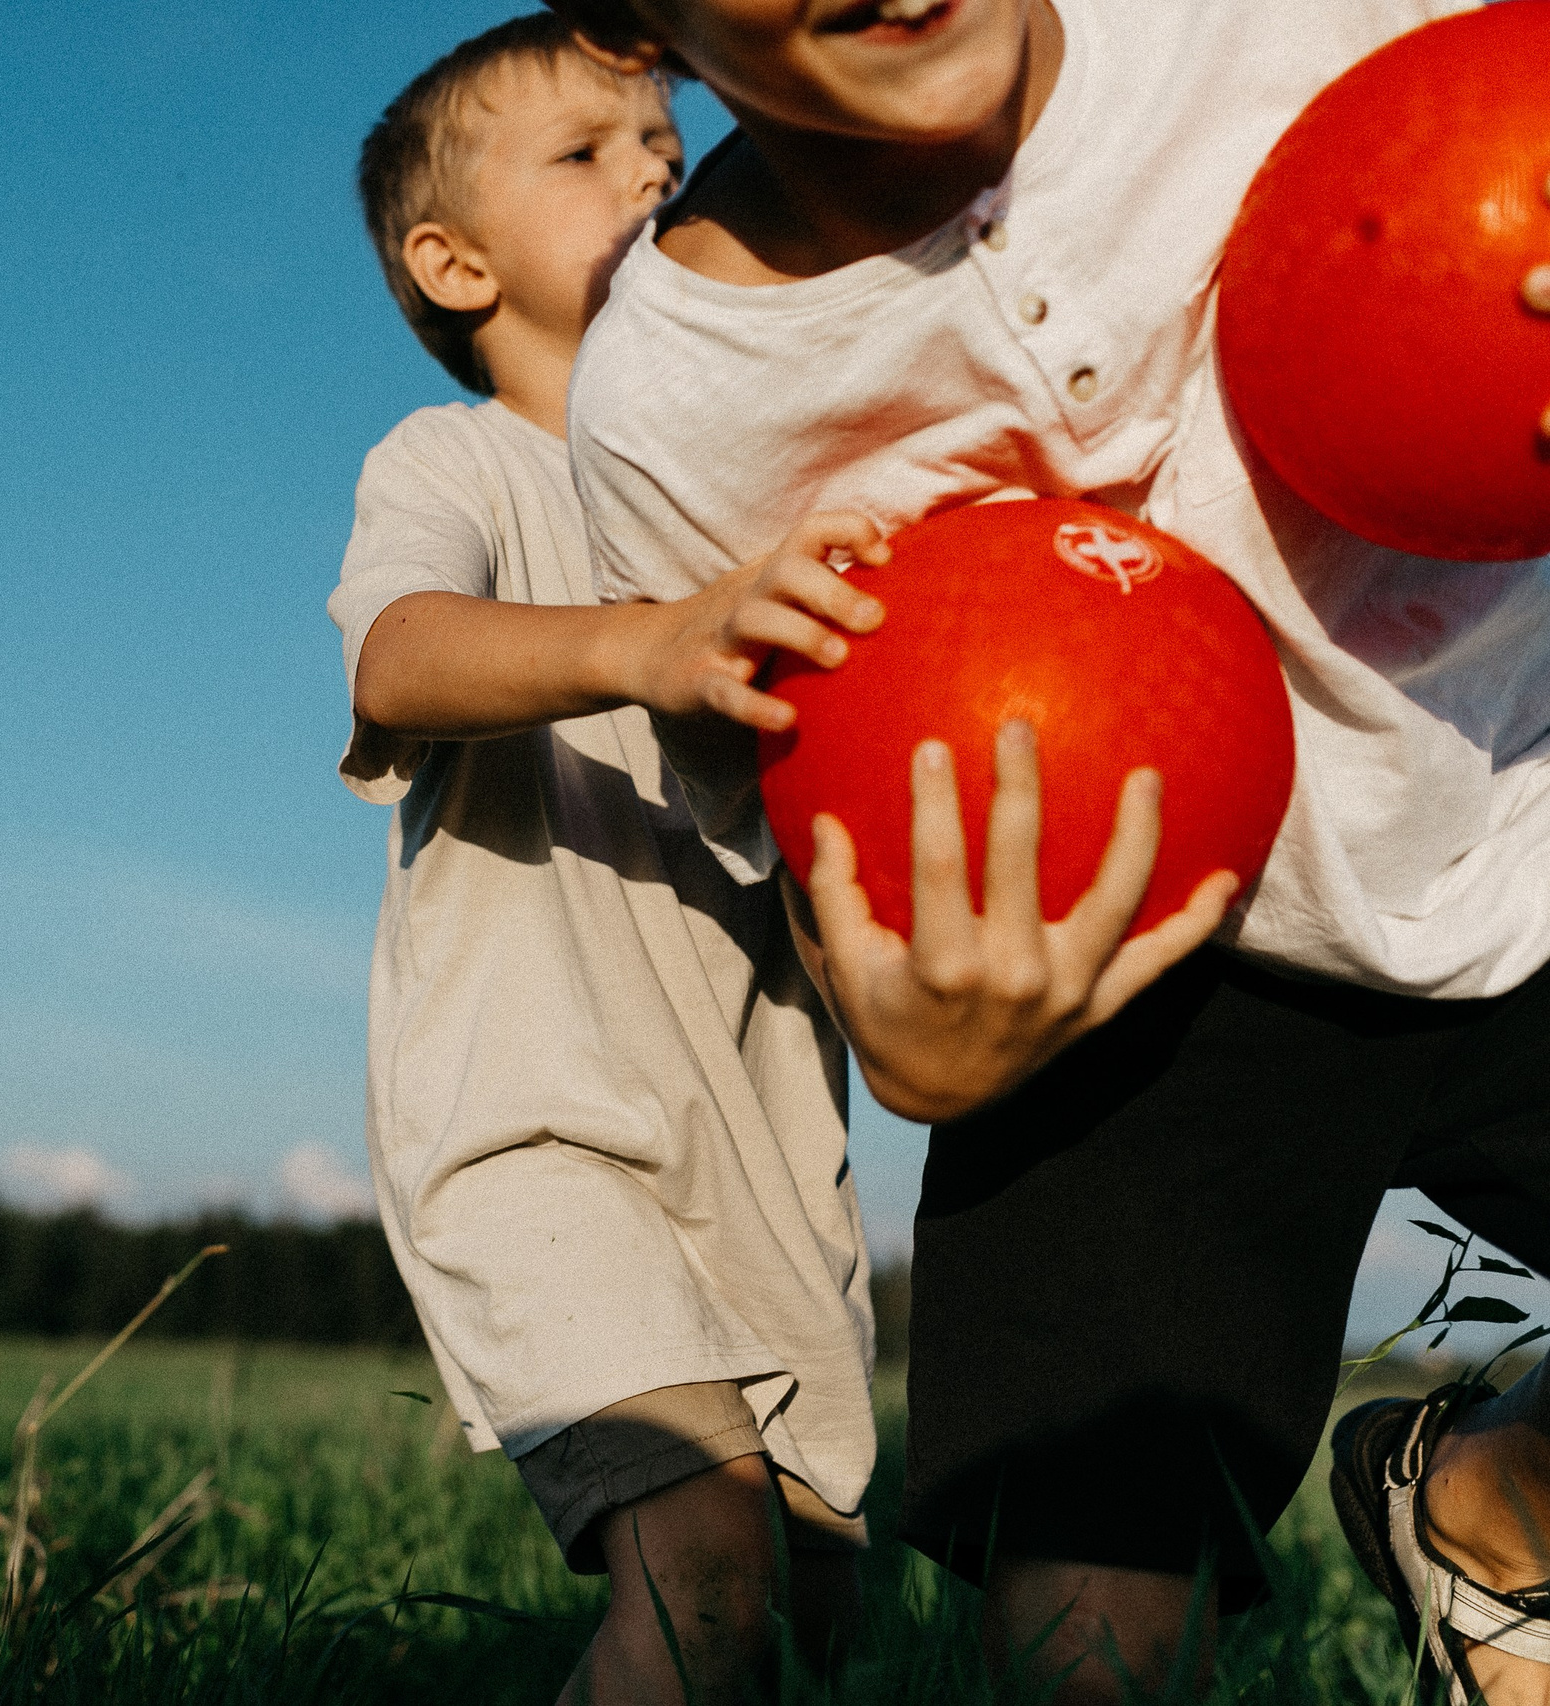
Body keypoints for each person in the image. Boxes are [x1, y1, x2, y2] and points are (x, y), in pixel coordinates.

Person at [540, 0, 1550, 1699]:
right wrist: (914, 1049)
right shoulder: (676, 402)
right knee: (1088, 1648)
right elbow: (831, 845)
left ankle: (1492, 1501)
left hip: (1518, 807)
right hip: (1124, 991)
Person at [333, 15, 922, 1698]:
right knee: (705, 1570)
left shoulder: (770, 519)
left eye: (663, 149)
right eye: (586, 156)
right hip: (539, 1131)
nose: (655, 170)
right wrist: (658, 643)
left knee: (795, 1625)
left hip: (772, 1164)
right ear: (453, 266)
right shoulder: (458, 464)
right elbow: (398, 660)